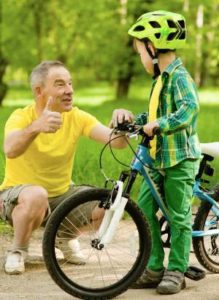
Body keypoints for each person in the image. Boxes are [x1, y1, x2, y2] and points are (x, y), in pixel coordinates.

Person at [0, 60, 134, 275]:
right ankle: (18, 250)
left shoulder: (76, 117)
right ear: (39, 90)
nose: (69, 90)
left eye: (70, 84)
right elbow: (10, 149)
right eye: (60, 84)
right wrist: (36, 127)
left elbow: (116, 143)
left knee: (109, 201)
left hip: (62, 195)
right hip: (19, 197)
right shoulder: (21, 116)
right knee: (37, 194)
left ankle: (64, 237)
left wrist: (122, 122)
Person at [125, 11, 201, 294]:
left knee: (179, 217)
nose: (141, 59)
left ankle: (177, 270)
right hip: (157, 158)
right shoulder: (159, 81)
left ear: (152, 47)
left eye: (140, 52)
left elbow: (189, 110)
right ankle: (154, 265)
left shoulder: (179, 77)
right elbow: (156, 113)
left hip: (179, 160)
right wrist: (138, 121)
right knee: (144, 209)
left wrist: (160, 124)